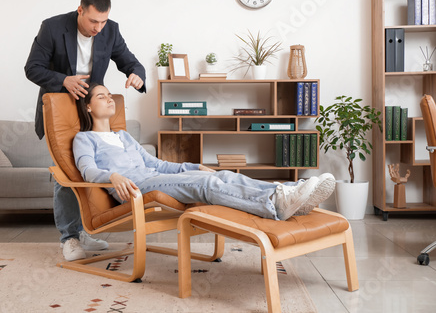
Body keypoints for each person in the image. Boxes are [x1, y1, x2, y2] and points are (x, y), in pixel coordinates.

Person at [72, 84, 336, 228]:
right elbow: (87, 171)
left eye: (110, 95)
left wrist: (195, 164)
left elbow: (156, 164)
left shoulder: (124, 135)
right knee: (205, 184)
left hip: (154, 177)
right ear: (87, 106)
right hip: (134, 189)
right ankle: (275, 204)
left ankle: (290, 190)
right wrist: (113, 175)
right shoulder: (84, 138)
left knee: (218, 174)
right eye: (101, 96)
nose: (109, 99)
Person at [24, 0, 146, 261]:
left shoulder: (110, 30)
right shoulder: (53, 27)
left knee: (89, 169)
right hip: (59, 107)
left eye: (103, 22)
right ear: (80, 10)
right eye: (93, 21)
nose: (98, 28)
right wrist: (62, 80)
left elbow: (130, 61)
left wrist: (136, 75)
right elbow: (32, 68)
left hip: (88, 110)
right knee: (66, 172)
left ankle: (85, 231)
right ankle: (69, 238)